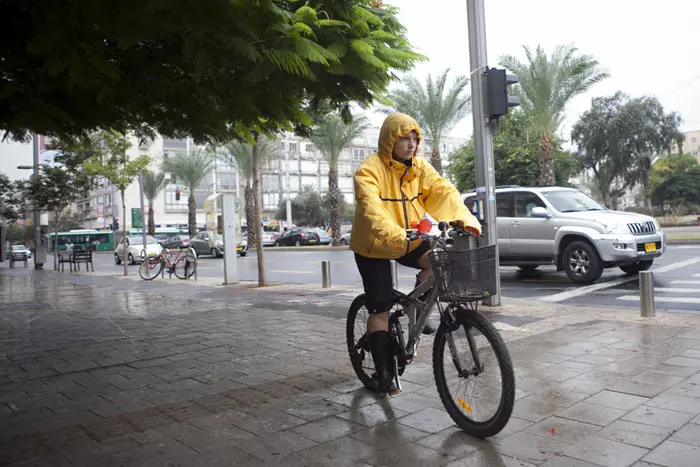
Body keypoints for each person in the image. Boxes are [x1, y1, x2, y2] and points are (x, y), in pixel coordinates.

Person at [350, 113, 482, 392]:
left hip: (407, 238)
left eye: (414, 139)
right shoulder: (369, 170)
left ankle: (415, 308)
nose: (411, 145)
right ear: (390, 140)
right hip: (374, 243)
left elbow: (442, 192)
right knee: (381, 307)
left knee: (438, 261)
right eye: (404, 139)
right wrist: (395, 232)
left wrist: (465, 219)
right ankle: (383, 372)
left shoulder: (420, 169)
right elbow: (371, 208)